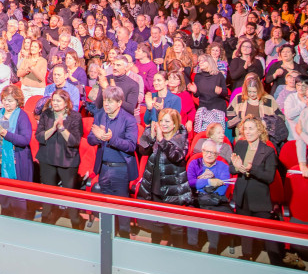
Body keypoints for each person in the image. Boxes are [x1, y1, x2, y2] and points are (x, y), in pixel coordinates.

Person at [231, 118, 289, 266]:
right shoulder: (240, 145)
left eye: (251, 128)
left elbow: (269, 177)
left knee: (267, 232)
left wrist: (252, 169)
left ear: (259, 130)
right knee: (246, 230)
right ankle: (247, 256)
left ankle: (276, 262)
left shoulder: (268, 151)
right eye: (245, 128)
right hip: (242, 195)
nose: (247, 132)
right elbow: (232, 168)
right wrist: (237, 167)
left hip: (259, 199)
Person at [134, 107, 191, 246]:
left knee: (175, 226)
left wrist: (161, 140)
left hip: (173, 189)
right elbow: (143, 151)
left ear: (175, 123)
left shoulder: (181, 138)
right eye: (161, 121)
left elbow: (176, 156)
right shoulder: (156, 135)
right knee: (156, 223)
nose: (163, 124)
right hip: (155, 186)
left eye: (167, 121)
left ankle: (177, 252)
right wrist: (151, 137)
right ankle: (155, 250)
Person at [87, 85, 138, 236]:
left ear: (119, 103)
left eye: (110, 101)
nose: (106, 104)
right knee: (106, 207)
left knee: (121, 209)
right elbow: (90, 138)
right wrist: (98, 138)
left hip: (120, 169)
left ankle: (124, 238)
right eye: (105, 100)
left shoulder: (129, 119)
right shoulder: (100, 115)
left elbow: (131, 145)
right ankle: (108, 238)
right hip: (104, 168)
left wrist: (111, 139)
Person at [35, 88, 84, 228]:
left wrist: (61, 128)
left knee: (70, 195)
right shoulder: (46, 114)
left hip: (67, 160)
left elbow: (75, 141)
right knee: (48, 194)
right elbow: (39, 136)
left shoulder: (75, 117)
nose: (55, 103)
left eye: (58, 100)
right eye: (53, 100)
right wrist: (53, 129)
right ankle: (46, 221)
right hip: (47, 158)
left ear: (66, 102)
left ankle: (76, 222)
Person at [0, 85, 34, 217]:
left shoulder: (22, 116)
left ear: (17, 102)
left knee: (17, 200)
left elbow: (25, 140)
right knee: (3, 198)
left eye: (10, 100)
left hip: (16, 162)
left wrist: (6, 134)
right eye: (4, 100)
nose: (6, 103)